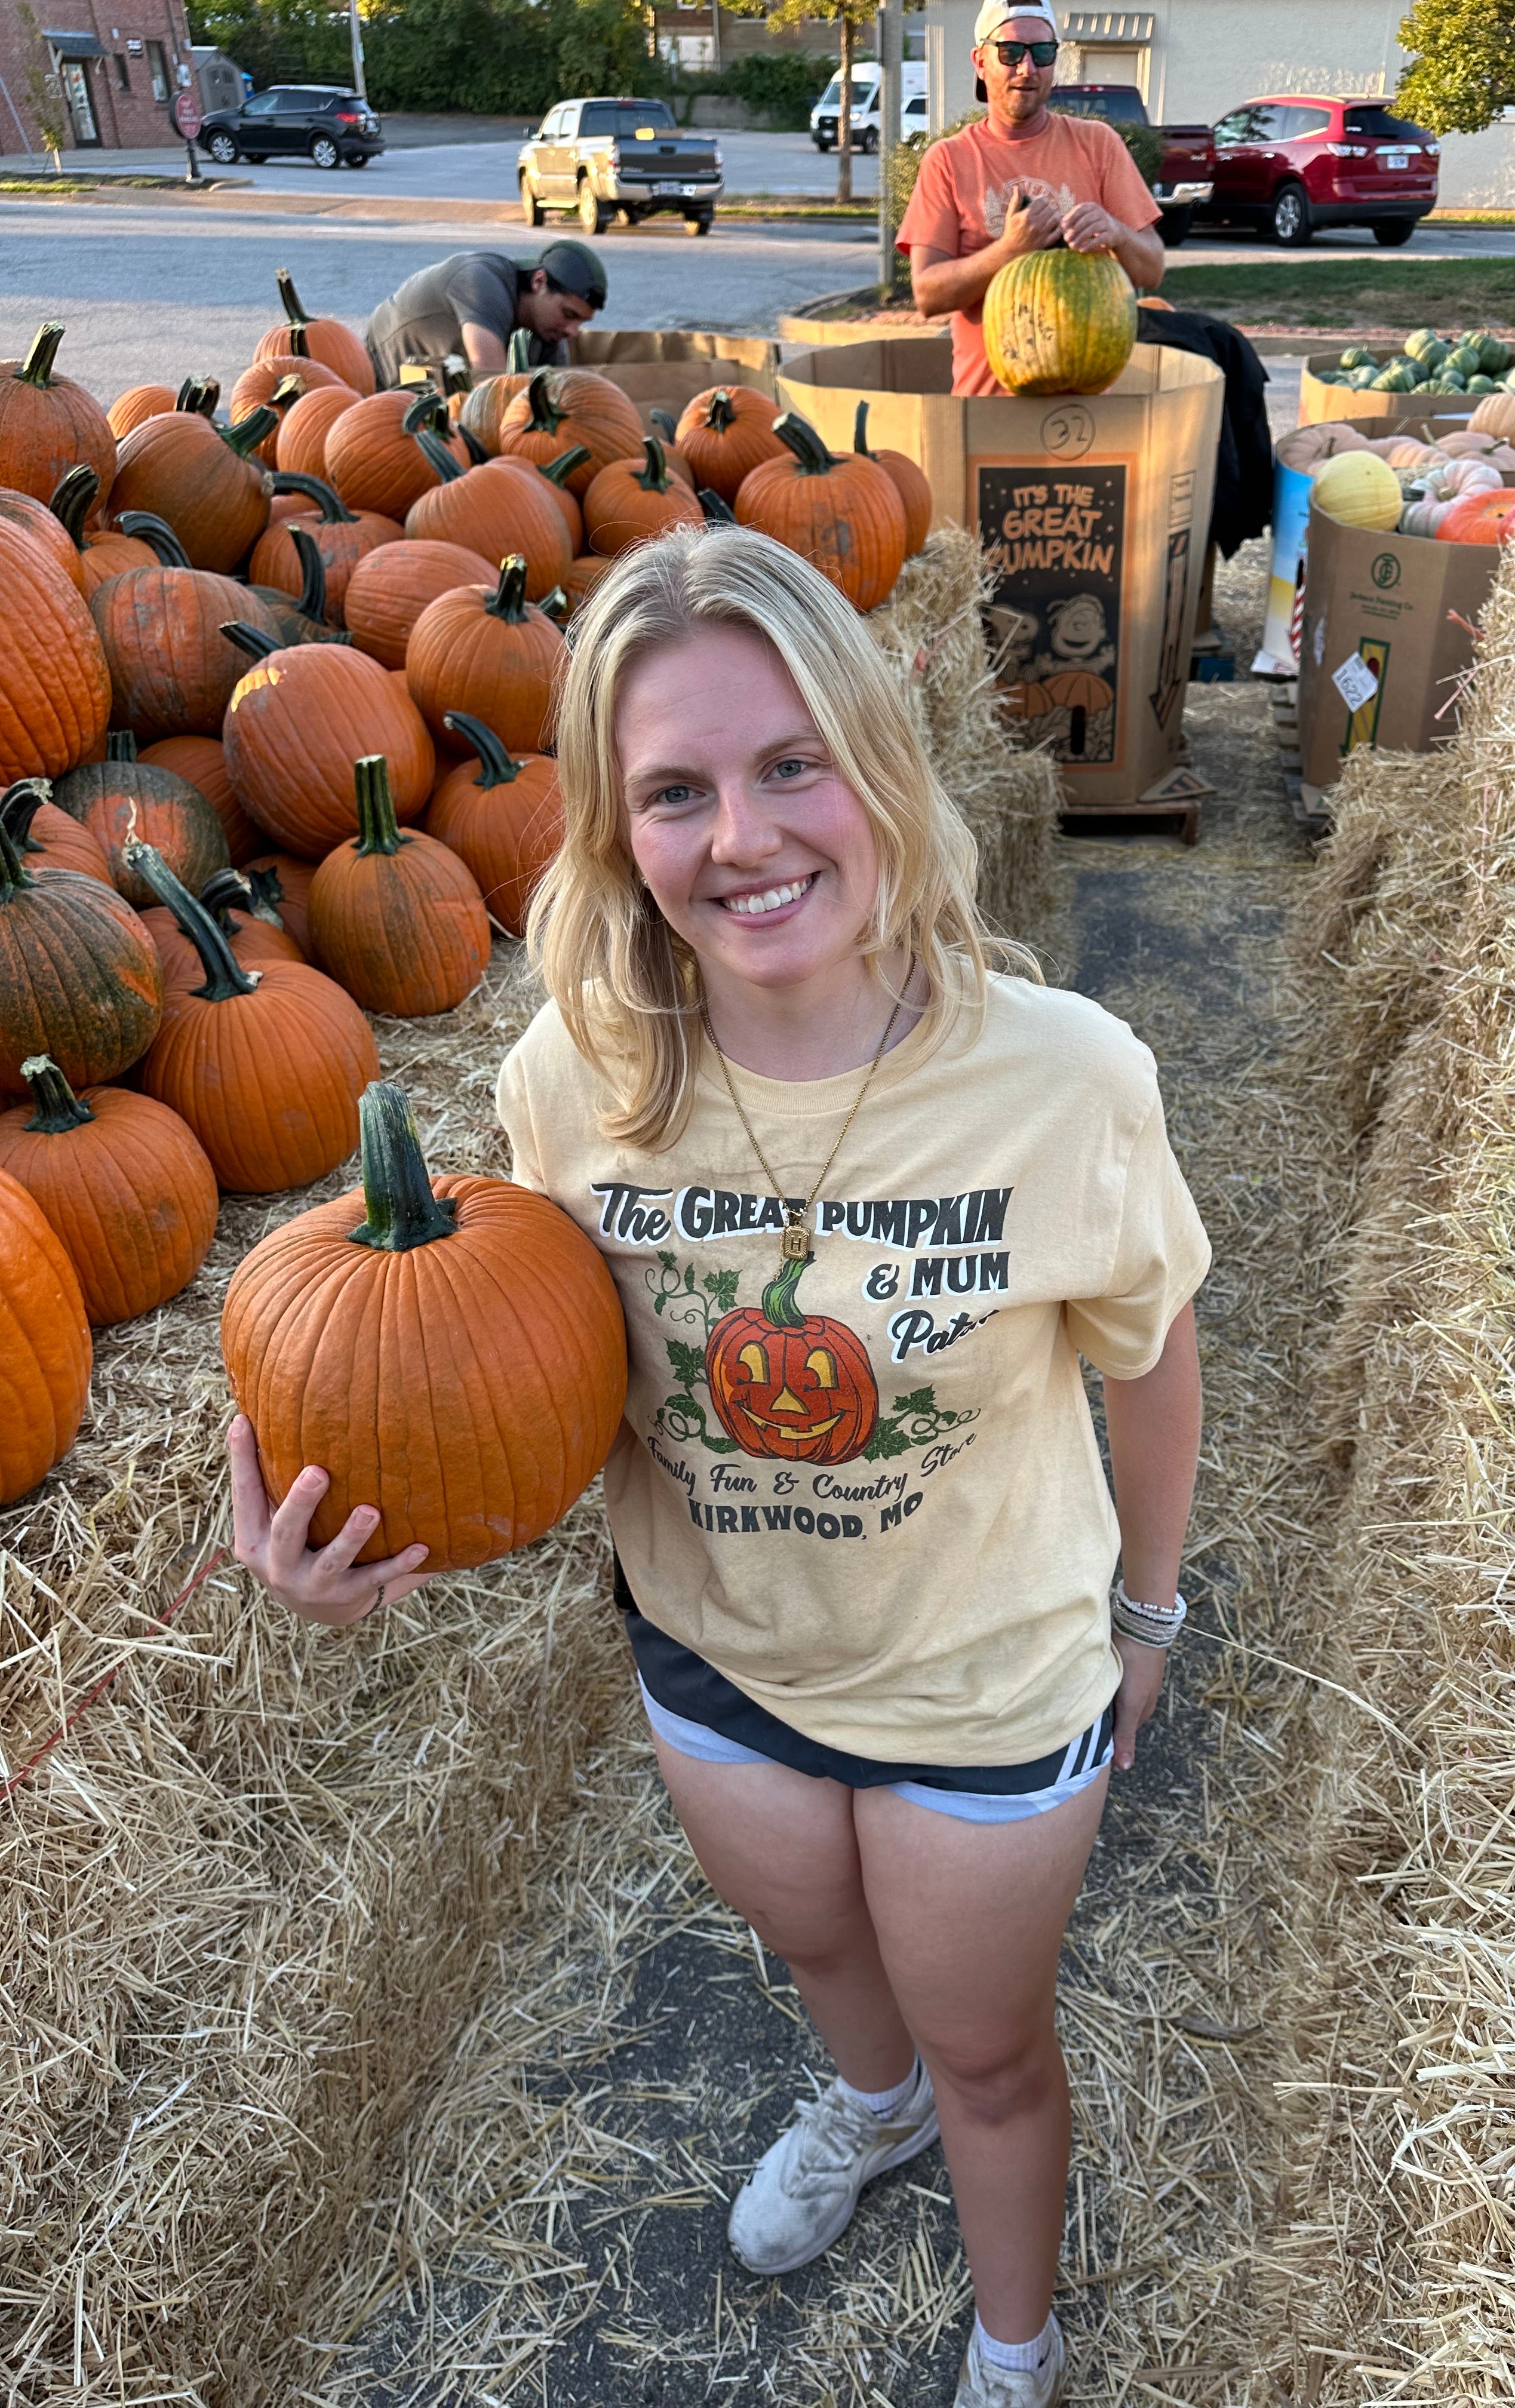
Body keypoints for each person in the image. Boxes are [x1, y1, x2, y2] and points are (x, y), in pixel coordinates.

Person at [227, 526, 1209, 2408]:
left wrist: (1145, 1611)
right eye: (675, 790)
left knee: (996, 2049)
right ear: (615, 831)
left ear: (879, 760)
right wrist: (345, 1534)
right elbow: (499, 1378)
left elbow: (1152, 1358)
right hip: (718, 1663)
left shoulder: (1061, 1078)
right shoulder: (574, 1084)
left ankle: (1015, 2343)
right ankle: (871, 2108)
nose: (741, 838)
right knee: (822, 1947)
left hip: (980, 1683)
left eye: (788, 765)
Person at [898, 0, 1166, 397]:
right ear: (980, 61)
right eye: (1011, 53)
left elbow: (1152, 269)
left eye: (1043, 53)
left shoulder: (1098, 145)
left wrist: (1117, 234)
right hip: (987, 411)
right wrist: (1009, 250)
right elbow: (927, 294)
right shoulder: (949, 160)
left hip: (1088, 409)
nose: (1028, 68)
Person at [362, 238, 607, 389]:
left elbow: (559, 396)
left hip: (441, 387)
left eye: (582, 322)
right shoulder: (481, 282)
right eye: (569, 314)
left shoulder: (551, 331)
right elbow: (490, 385)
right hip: (382, 379)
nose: (572, 331)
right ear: (539, 282)